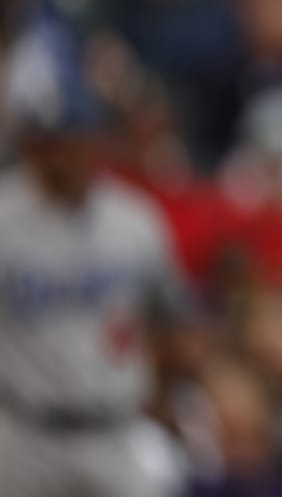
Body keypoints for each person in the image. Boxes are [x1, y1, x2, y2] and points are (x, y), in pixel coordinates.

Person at [0, 26, 194, 497]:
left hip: (114, 431)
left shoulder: (135, 220)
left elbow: (172, 321)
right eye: (50, 142)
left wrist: (165, 400)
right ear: (30, 146)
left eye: (72, 140)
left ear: (95, 141)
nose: (62, 156)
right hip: (25, 431)